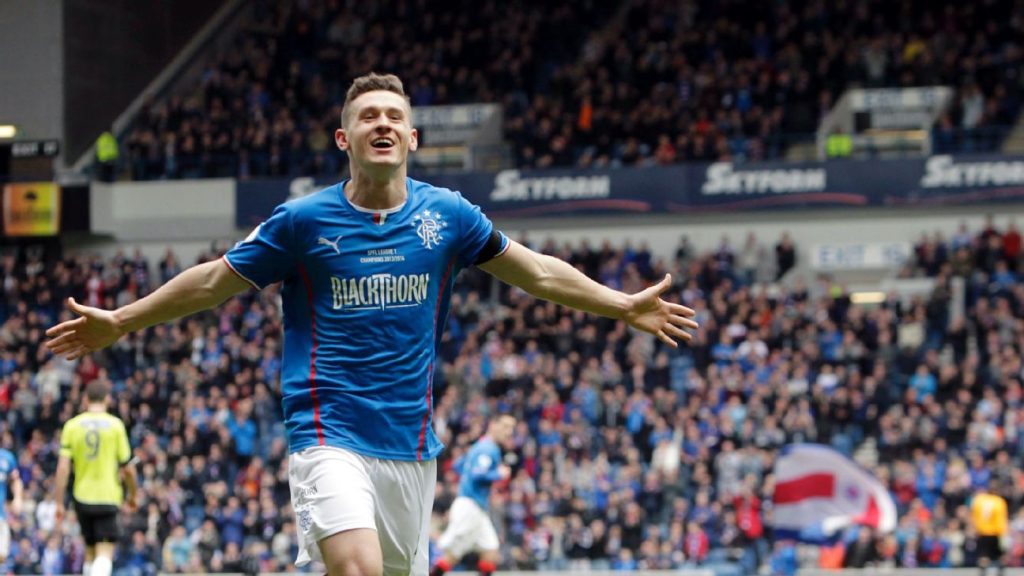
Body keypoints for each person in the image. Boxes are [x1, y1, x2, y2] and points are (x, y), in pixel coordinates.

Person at [45, 72, 699, 576]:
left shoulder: (449, 216)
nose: (382, 123)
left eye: (394, 116)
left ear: (412, 139)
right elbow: (216, 281)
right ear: (345, 139)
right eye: (368, 116)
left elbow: (539, 274)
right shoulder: (302, 222)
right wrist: (122, 320)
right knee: (355, 568)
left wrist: (622, 304)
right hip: (326, 431)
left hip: (410, 445)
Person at [54, 380, 138, 576]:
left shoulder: (72, 426)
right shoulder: (115, 425)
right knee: (105, 551)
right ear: (107, 399)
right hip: (108, 496)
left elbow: (63, 468)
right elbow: (128, 469)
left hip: (81, 496)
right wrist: (133, 495)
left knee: (90, 550)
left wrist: (58, 502)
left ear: (85, 399)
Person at [431, 415, 516, 576]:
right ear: (493, 425)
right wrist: (498, 473)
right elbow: (478, 474)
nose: (509, 432)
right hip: (470, 507)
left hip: (476, 507)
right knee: (449, 550)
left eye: (511, 428)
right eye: (505, 426)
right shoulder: (489, 448)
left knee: (490, 550)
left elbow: (458, 465)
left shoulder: (479, 446)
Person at [971, 482, 1008, 576]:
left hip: (982, 532)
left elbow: (974, 516)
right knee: (1000, 556)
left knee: (983, 556)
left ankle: (983, 573)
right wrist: (1003, 533)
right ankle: (1000, 573)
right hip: (995, 533)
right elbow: (1001, 519)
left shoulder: (979, 500)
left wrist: (976, 529)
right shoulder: (999, 501)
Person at [0, 441, 23, 568]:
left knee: (2, 556)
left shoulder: (6, 458)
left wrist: (18, 498)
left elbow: (16, 480)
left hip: (1, 516)